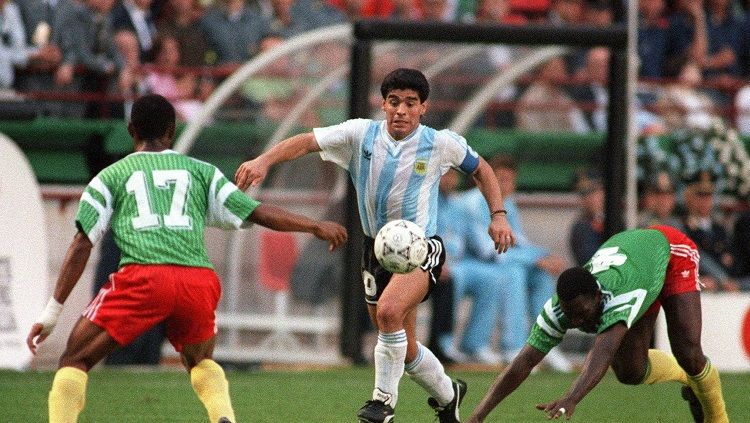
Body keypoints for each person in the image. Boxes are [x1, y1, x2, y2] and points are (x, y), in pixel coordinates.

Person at [26, 94, 347, 423]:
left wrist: (53, 311)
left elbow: (83, 243)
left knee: (74, 360)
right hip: (197, 280)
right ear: (172, 131)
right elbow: (257, 212)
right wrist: (314, 225)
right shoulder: (201, 172)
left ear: (130, 130)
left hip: (143, 277)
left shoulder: (110, 177)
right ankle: (223, 417)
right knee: (201, 360)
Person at [235, 68, 515, 423]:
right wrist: (264, 161)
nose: (401, 110)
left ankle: (382, 402)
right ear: (383, 103)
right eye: (394, 101)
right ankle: (449, 396)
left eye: (410, 103)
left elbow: (482, 170)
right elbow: (306, 141)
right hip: (376, 251)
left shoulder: (440, 142)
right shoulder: (360, 133)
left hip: (420, 247)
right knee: (406, 348)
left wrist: (499, 214)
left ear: (423, 108)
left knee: (387, 313)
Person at [467, 225, 729, 423]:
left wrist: (571, 398)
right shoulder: (559, 309)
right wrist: (478, 416)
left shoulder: (619, 295)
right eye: (572, 317)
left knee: (689, 353)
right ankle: (685, 377)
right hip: (638, 267)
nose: (579, 322)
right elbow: (523, 362)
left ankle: (719, 418)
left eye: (583, 314)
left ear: (598, 296)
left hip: (670, 252)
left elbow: (603, 350)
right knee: (630, 373)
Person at [568, 168, 604, 266]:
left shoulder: (618, 217)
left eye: (595, 191)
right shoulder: (583, 227)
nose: (590, 198)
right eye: (584, 194)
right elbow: (592, 264)